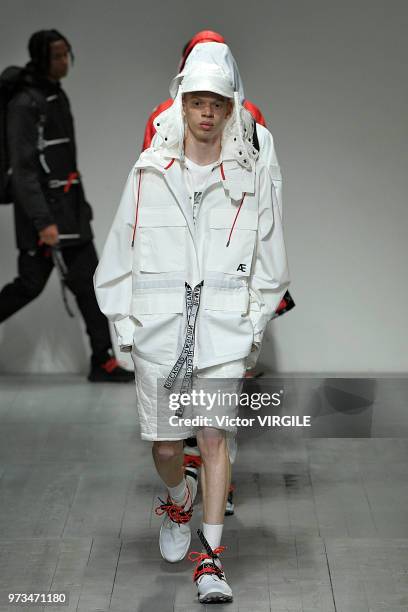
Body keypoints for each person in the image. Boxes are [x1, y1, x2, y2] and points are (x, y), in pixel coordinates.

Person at [95, 60, 290, 603]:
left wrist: (253, 324)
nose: (207, 112)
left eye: (218, 103)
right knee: (164, 446)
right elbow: (118, 249)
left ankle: (211, 561)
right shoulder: (149, 170)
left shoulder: (248, 177)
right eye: (198, 101)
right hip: (160, 327)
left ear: (231, 110)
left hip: (224, 330)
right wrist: (124, 324)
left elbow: (271, 256)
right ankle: (178, 498)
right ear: (181, 106)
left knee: (213, 440)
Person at [144, 38, 295, 515]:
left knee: (221, 389)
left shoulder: (251, 123)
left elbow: (267, 198)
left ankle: (216, 480)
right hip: (181, 278)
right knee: (183, 381)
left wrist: (261, 284)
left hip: (231, 272)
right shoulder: (165, 118)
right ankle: (199, 472)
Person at [0, 29, 133, 382]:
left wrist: (80, 207)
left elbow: (62, 160)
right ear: (42, 57)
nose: (64, 62)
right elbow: (25, 170)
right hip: (43, 215)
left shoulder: (54, 94)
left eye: (66, 55)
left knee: (89, 283)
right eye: (57, 56)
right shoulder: (24, 103)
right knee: (29, 285)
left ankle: (102, 360)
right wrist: (43, 222)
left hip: (69, 211)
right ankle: (102, 360)